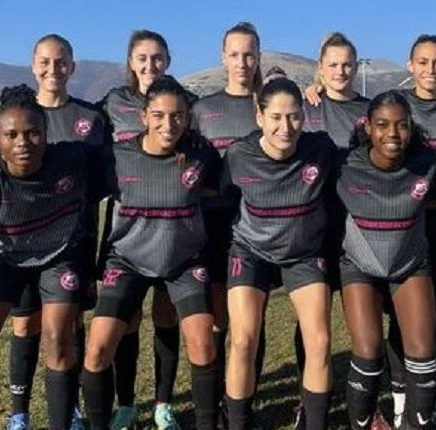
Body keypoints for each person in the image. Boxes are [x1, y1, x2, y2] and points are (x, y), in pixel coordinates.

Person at [0, 84, 101, 430]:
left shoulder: (74, 158)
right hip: (6, 260)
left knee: (58, 342)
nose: (23, 142)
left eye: (33, 133)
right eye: (12, 134)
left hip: (58, 258)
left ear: (46, 133)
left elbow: (133, 154)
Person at [81, 76, 221, 430]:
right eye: (158, 115)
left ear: (187, 117)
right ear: (143, 116)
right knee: (97, 350)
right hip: (128, 260)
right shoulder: (116, 157)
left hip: (184, 261)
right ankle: (110, 416)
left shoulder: (201, 155)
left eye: (177, 116)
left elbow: (220, 192)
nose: (168, 124)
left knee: (203, 343)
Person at [0, 33, 107, 430]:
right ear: (33, 66)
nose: (53, 69)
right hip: (23, 243)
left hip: (74, 242)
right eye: (45, 62)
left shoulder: (91, 119)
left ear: (72, 66)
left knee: (68, 324)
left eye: (61, 62)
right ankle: (19, 413)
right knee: (25, 323)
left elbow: (101, 182)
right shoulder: (18, 115)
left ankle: (70, 407)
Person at [222, 75, 335, 430]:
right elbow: (223, 198)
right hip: (250, 251)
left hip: (303, 253)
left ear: (304, 117)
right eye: (275, 117)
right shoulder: (239, 155)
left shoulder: (320, 148)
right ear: (260, 117)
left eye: (294, 117)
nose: (285, 127)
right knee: (243, 340)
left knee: (319, 340)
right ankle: (238, 423)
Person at [336, 90, 436, 430]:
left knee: (424, 353)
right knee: (369, 352)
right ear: (368, 127)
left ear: (411, 127)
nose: (393, 134)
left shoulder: (428, 163)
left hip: (410, 264)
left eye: (401, 125)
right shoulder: (344, 164)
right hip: (360, 265)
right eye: (383, 125)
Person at [295, 31, 389, 429]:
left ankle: (373, 402)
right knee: (311, 324)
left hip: (360, 231)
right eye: (332, 64)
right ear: (320, 68)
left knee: (366, 324)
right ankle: (307, 401)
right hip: (315, 230)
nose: (341, 71)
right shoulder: (305, 106)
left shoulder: (370, 111)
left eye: (347, 64)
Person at [97, 29, 185, 430]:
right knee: (127, 318)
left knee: (166, 315)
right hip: (126, 232)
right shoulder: (112, 103)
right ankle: (127, 404)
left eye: (158, 58)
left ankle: (164, 404)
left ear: (168, 60)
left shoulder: (185, 102)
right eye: (142, 58)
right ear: (131, 62)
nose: (151, 65)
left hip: (171, 231)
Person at [190, 21, 266, 429]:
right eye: (234, 54)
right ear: (223, 57)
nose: (242, 62)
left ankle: (244, 402)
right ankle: (220, 399)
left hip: (260, 228)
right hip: (214, 228)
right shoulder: (203, 110)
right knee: (219, 318)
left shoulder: (269, 105)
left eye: (249, 54)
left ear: (258, 57)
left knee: (252, 322)